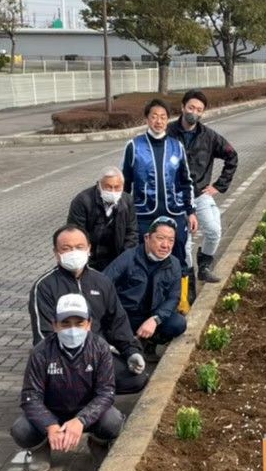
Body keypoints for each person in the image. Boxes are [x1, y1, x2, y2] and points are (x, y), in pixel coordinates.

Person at [27, 225, 149, 394]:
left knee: (136, 379)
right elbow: (43, 336)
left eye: (79, 247)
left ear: (89, 249)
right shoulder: (44, 287)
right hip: (61, 360)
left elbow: (117, 323)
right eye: (66, 248)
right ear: (56, 253)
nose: (74, 252)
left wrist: (131, 351)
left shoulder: (102, 282)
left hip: (97, 354)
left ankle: (93, 392)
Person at [12, 294, 121, 471]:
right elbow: (30, 397)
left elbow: (106, 393)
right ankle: (40, 450)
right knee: (21, 429)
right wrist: (49, 425)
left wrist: (81, 420)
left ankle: (98, 443)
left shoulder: (100, 348)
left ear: (89, 324)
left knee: (113, 421)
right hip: (52, 413)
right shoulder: (41, 352)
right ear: (54, 325)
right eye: (65, 323)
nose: (72, 329)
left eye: (79, 323)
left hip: (86, 412)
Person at [166, 89, 239, 284]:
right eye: (191, 107)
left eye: (199, 110)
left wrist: (219, 186)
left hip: (200, 194)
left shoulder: (209, 136)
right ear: (182, 107)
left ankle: (204, 265)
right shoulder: (167, 134)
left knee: (213, 231)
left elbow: (232, 156)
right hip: (174, 198)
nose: (194, 113)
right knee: (185, 240)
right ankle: (187, 276)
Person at [122, 98, 196, 272]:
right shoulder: (134, 146)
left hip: (174, 211)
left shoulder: (176, 146)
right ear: (147, 119)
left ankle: (180, 296)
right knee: (142, 258)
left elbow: (186, 182)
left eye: (163, 117)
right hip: (143, 214)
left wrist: (191, 211)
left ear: (167, 120)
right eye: (154, 116)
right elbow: (125, 184)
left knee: (178, 255)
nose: (159, 121)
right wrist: (123, 214)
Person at [104, 216, 187, 346]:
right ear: (147, 238)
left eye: (171, 240)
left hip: (152, 314)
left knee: (178, 323)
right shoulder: (129, 257)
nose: (166, 245)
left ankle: (150, 342)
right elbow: (104, 283)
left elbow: (173, 298)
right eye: (160, 238)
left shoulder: (174, 263)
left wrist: (155, 319)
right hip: (126, 315)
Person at [66, 167, 137, 273]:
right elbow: (75, 234)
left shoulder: (127, 201)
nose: (113, 191)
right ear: (99, 185)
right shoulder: (82, 201)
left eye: (117, 187)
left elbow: (131, 233)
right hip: (91, 257)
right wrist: (85, 262)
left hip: (116, 256)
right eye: (108, 187)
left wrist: (124, 261)